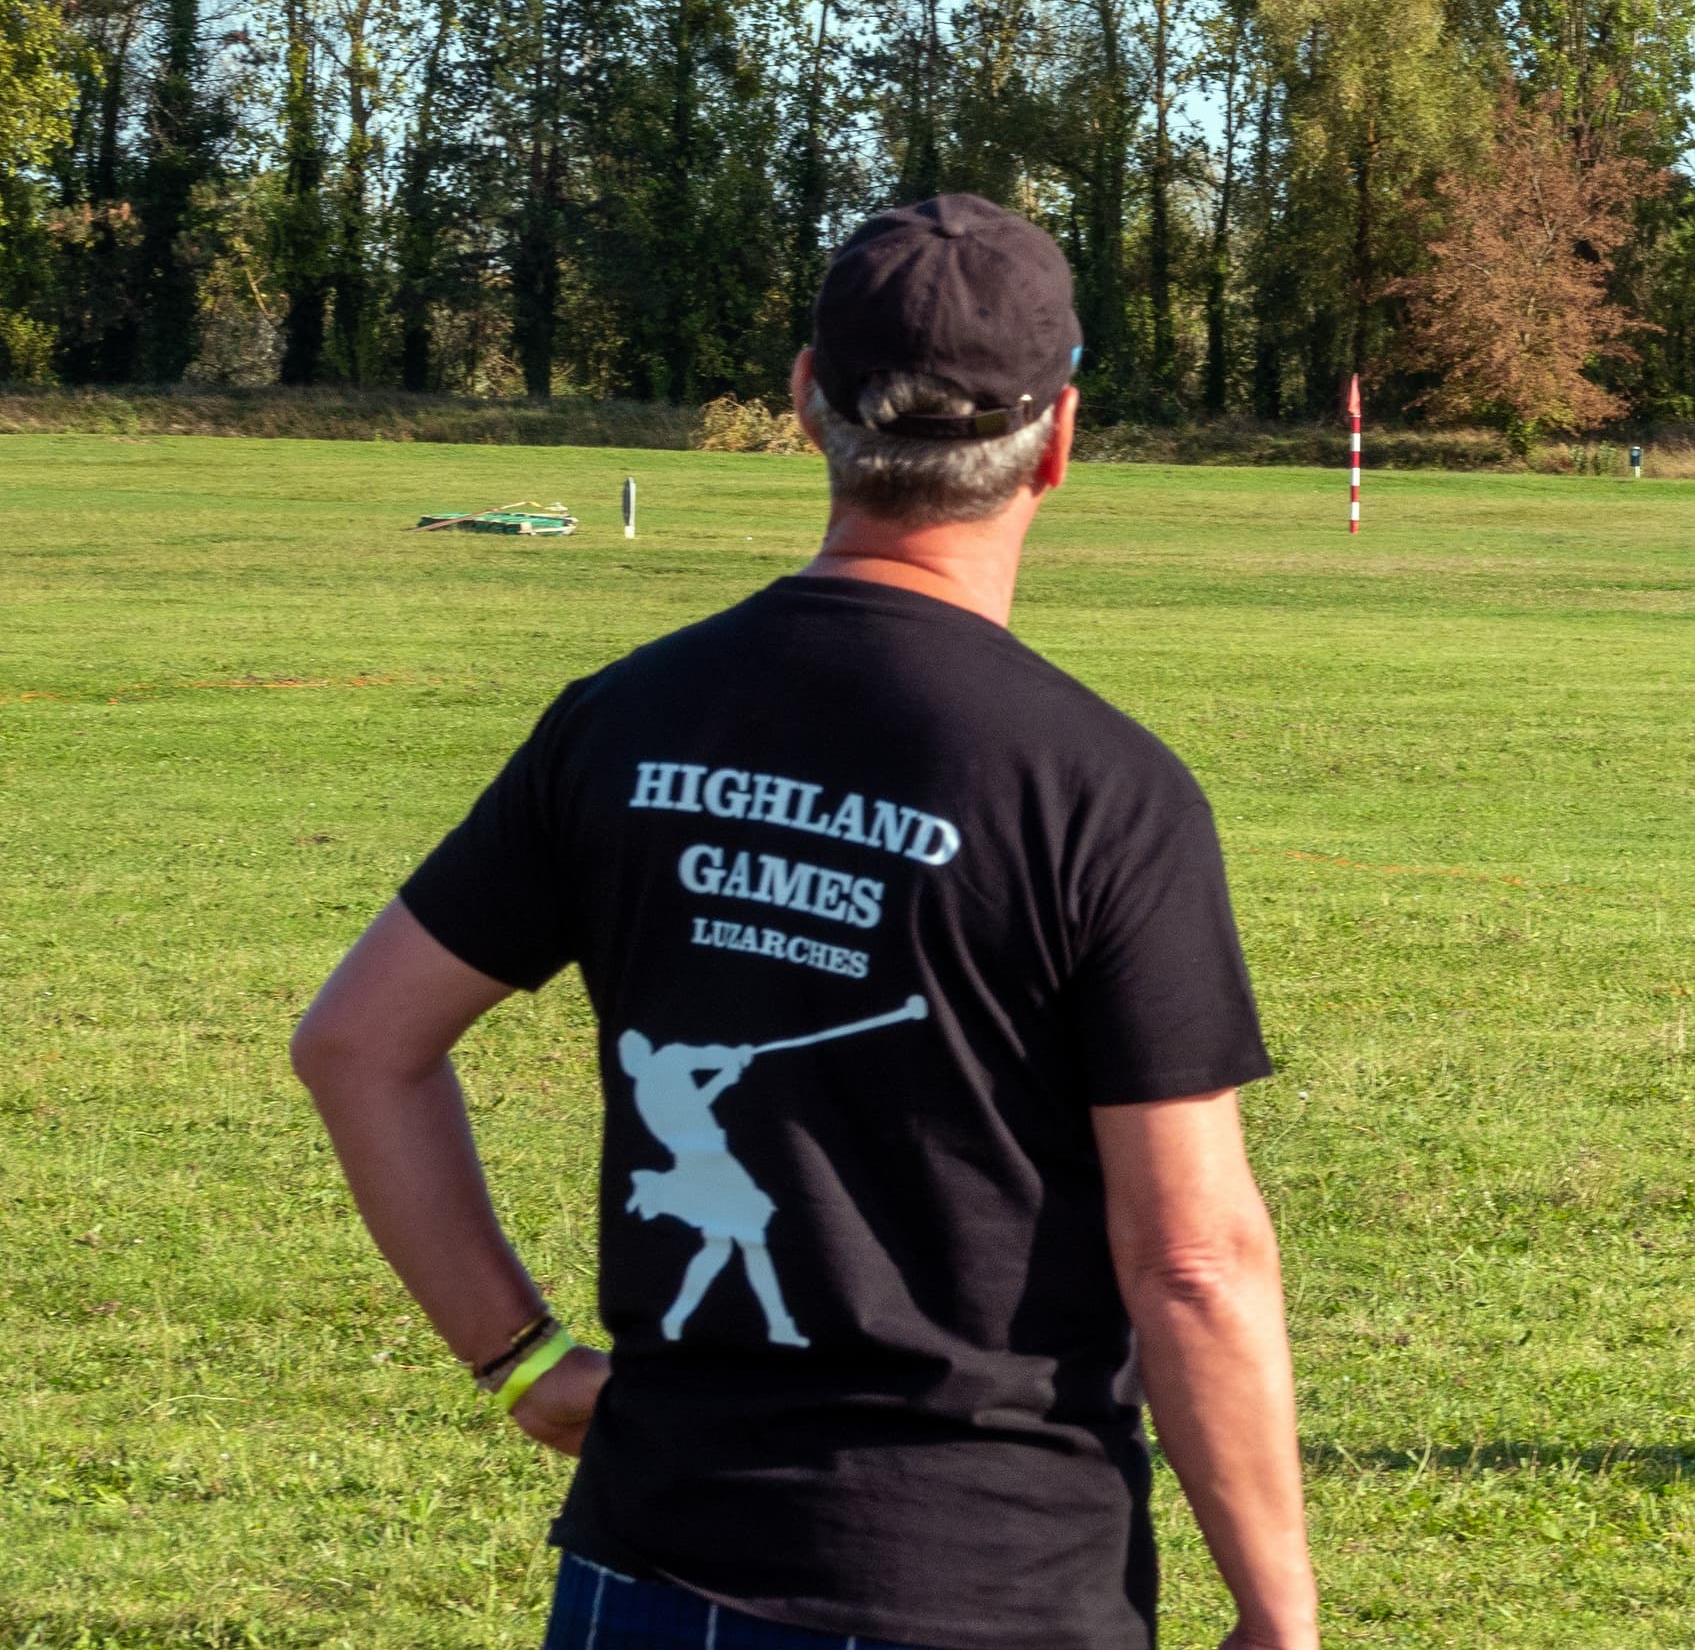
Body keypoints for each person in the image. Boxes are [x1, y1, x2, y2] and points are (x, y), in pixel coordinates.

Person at [289, 193, 1319, 1650]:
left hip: (648, 1575)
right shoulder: (1104, 793)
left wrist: (519, 1362)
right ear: (1063, 440)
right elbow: (1195, 1257)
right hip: (989, 1584)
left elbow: (356, 1044)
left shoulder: (620, 723)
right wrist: (1281, 1615)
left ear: (804, 404)